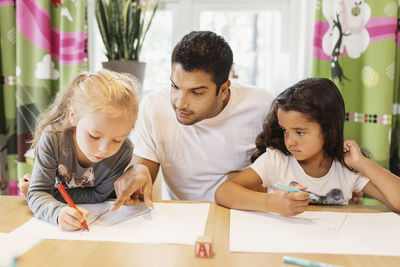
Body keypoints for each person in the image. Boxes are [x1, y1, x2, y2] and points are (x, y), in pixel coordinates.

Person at [111, 31, 274, 207]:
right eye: (175, 86)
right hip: (182, 216)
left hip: (241, 213)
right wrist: (136, 176)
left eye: (196, 92)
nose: (180, 103)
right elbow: (143, 169)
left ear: (224, 89)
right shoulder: (153, 106)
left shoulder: (262, 106)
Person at [214, 78, 400, 216]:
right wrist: (272, 203)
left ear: (328, 129)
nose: (290, 141)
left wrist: (362, 163)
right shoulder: (277, 160)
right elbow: (224, 192)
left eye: (300, 132)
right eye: (285, 130)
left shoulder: (346, 168)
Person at [26, 69, 148, 230]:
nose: (104, 149)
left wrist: (49, 194)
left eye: (117, 140)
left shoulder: (123, 152)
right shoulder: (53, 139)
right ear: (73, 115)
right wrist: (58, 212)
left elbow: (99, 195)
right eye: (94, 136)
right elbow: (37, 193)